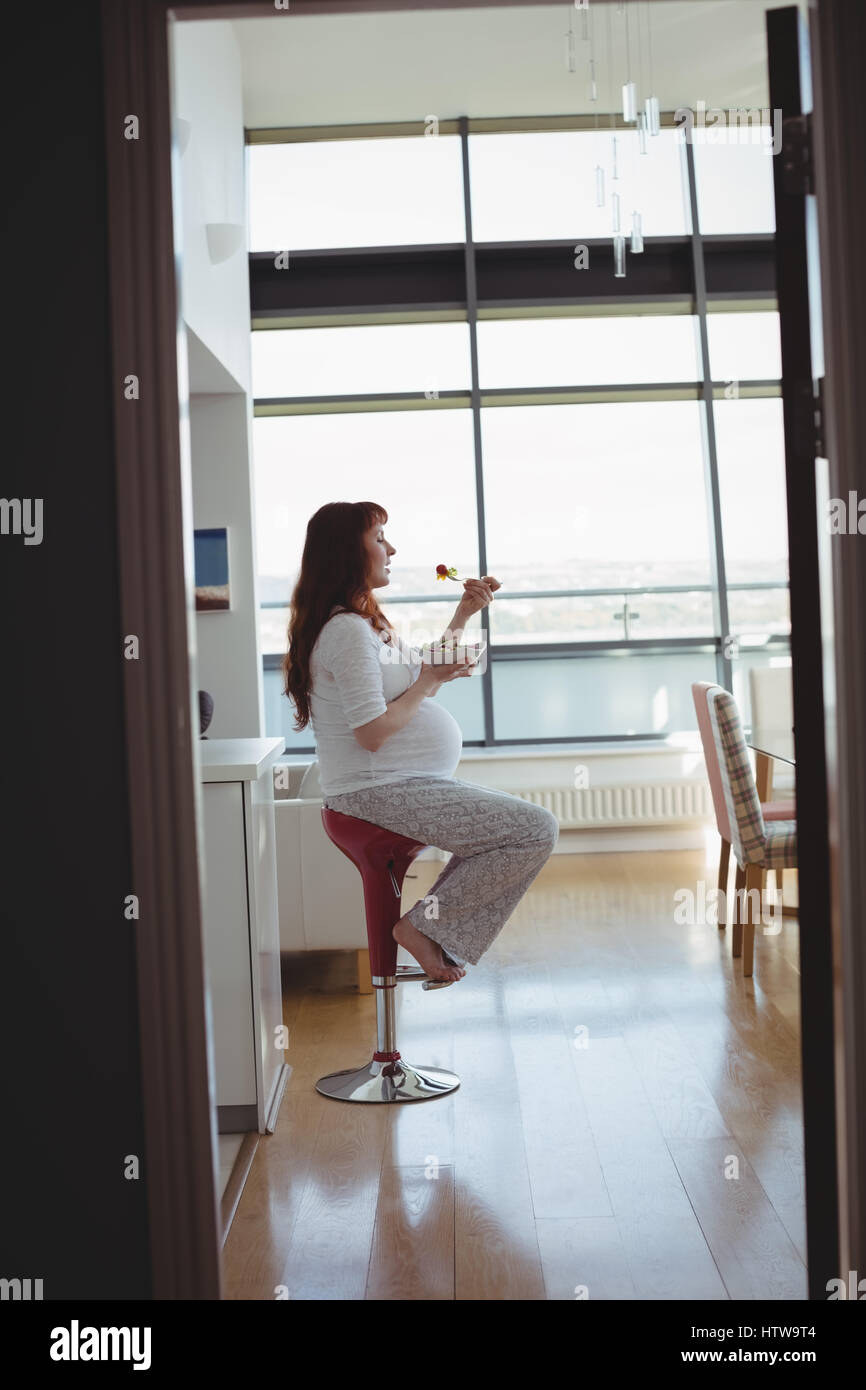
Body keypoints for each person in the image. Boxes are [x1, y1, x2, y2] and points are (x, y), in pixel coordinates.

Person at [282, 500, 559, 984]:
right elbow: (371, 733)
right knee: (533, 829)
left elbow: (418, 674)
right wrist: (430, 681)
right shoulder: (346, 631)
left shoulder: (365, 623)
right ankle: (420, 929)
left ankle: (428, 928)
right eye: (379, 538)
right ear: (348, 552)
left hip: (403, 783)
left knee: (524, 829)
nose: (391, 548)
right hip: (375, 790)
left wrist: (463, 613)